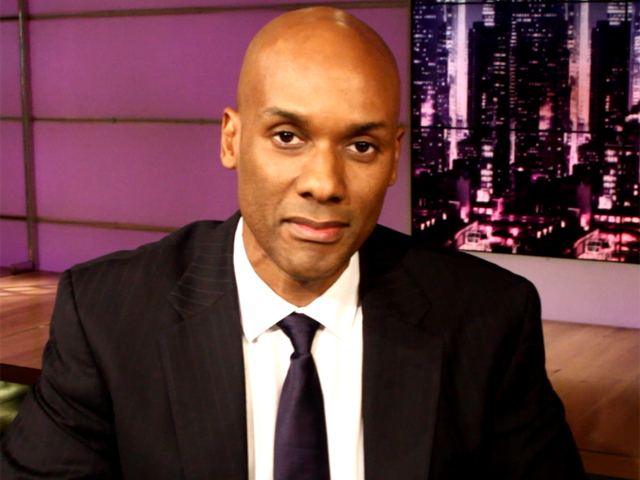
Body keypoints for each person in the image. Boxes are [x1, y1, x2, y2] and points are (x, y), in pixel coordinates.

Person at [1, 7, 586, 480]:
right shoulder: (106, 315)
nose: (324, 184)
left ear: (393, 157)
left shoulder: (488, 318)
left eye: (361, 146)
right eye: (287, 136)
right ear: (231, 139)